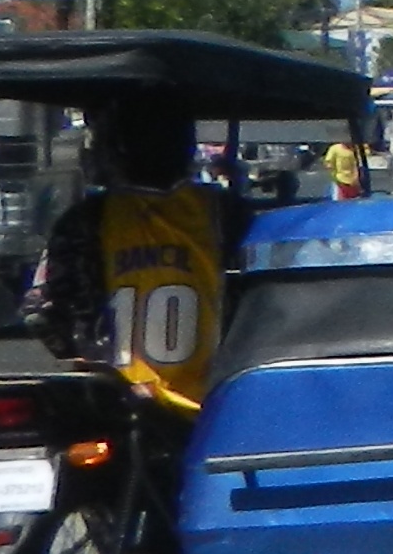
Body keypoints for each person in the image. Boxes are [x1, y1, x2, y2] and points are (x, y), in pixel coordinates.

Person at [25, 91, 244, 419]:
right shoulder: (226, 213)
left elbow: (40, 311)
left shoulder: (86, 219)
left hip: (115, 404)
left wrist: (85, 354)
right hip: (214, 406)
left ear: (113, 149)